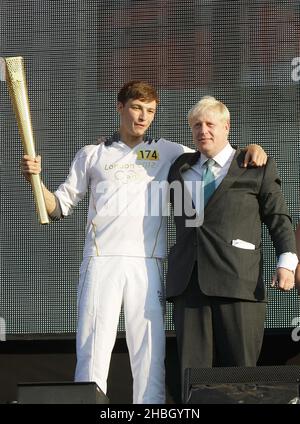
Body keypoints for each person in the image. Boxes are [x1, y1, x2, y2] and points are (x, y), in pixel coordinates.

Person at [21, 82, 267, 404]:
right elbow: (59, 208)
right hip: (101, 260)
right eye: (137, 108)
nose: (143, 116)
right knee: (93, 350)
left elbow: (215, 153)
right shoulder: (92, 154)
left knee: (150, 356)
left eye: (150, 111)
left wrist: (251, 148)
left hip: (148, 264)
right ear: (119, 107)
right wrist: (36, 182)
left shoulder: (170, 152)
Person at [166, 95, 298, 400]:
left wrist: (287, 263)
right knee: (193, 381)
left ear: (227, 126)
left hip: (239, 283)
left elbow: (278, 218)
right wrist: (114, 142)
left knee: (241, 379)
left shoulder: (254, 165)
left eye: (210, 124)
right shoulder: (180, 167)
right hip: (190, 286)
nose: (203, 130)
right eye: (196, 125)